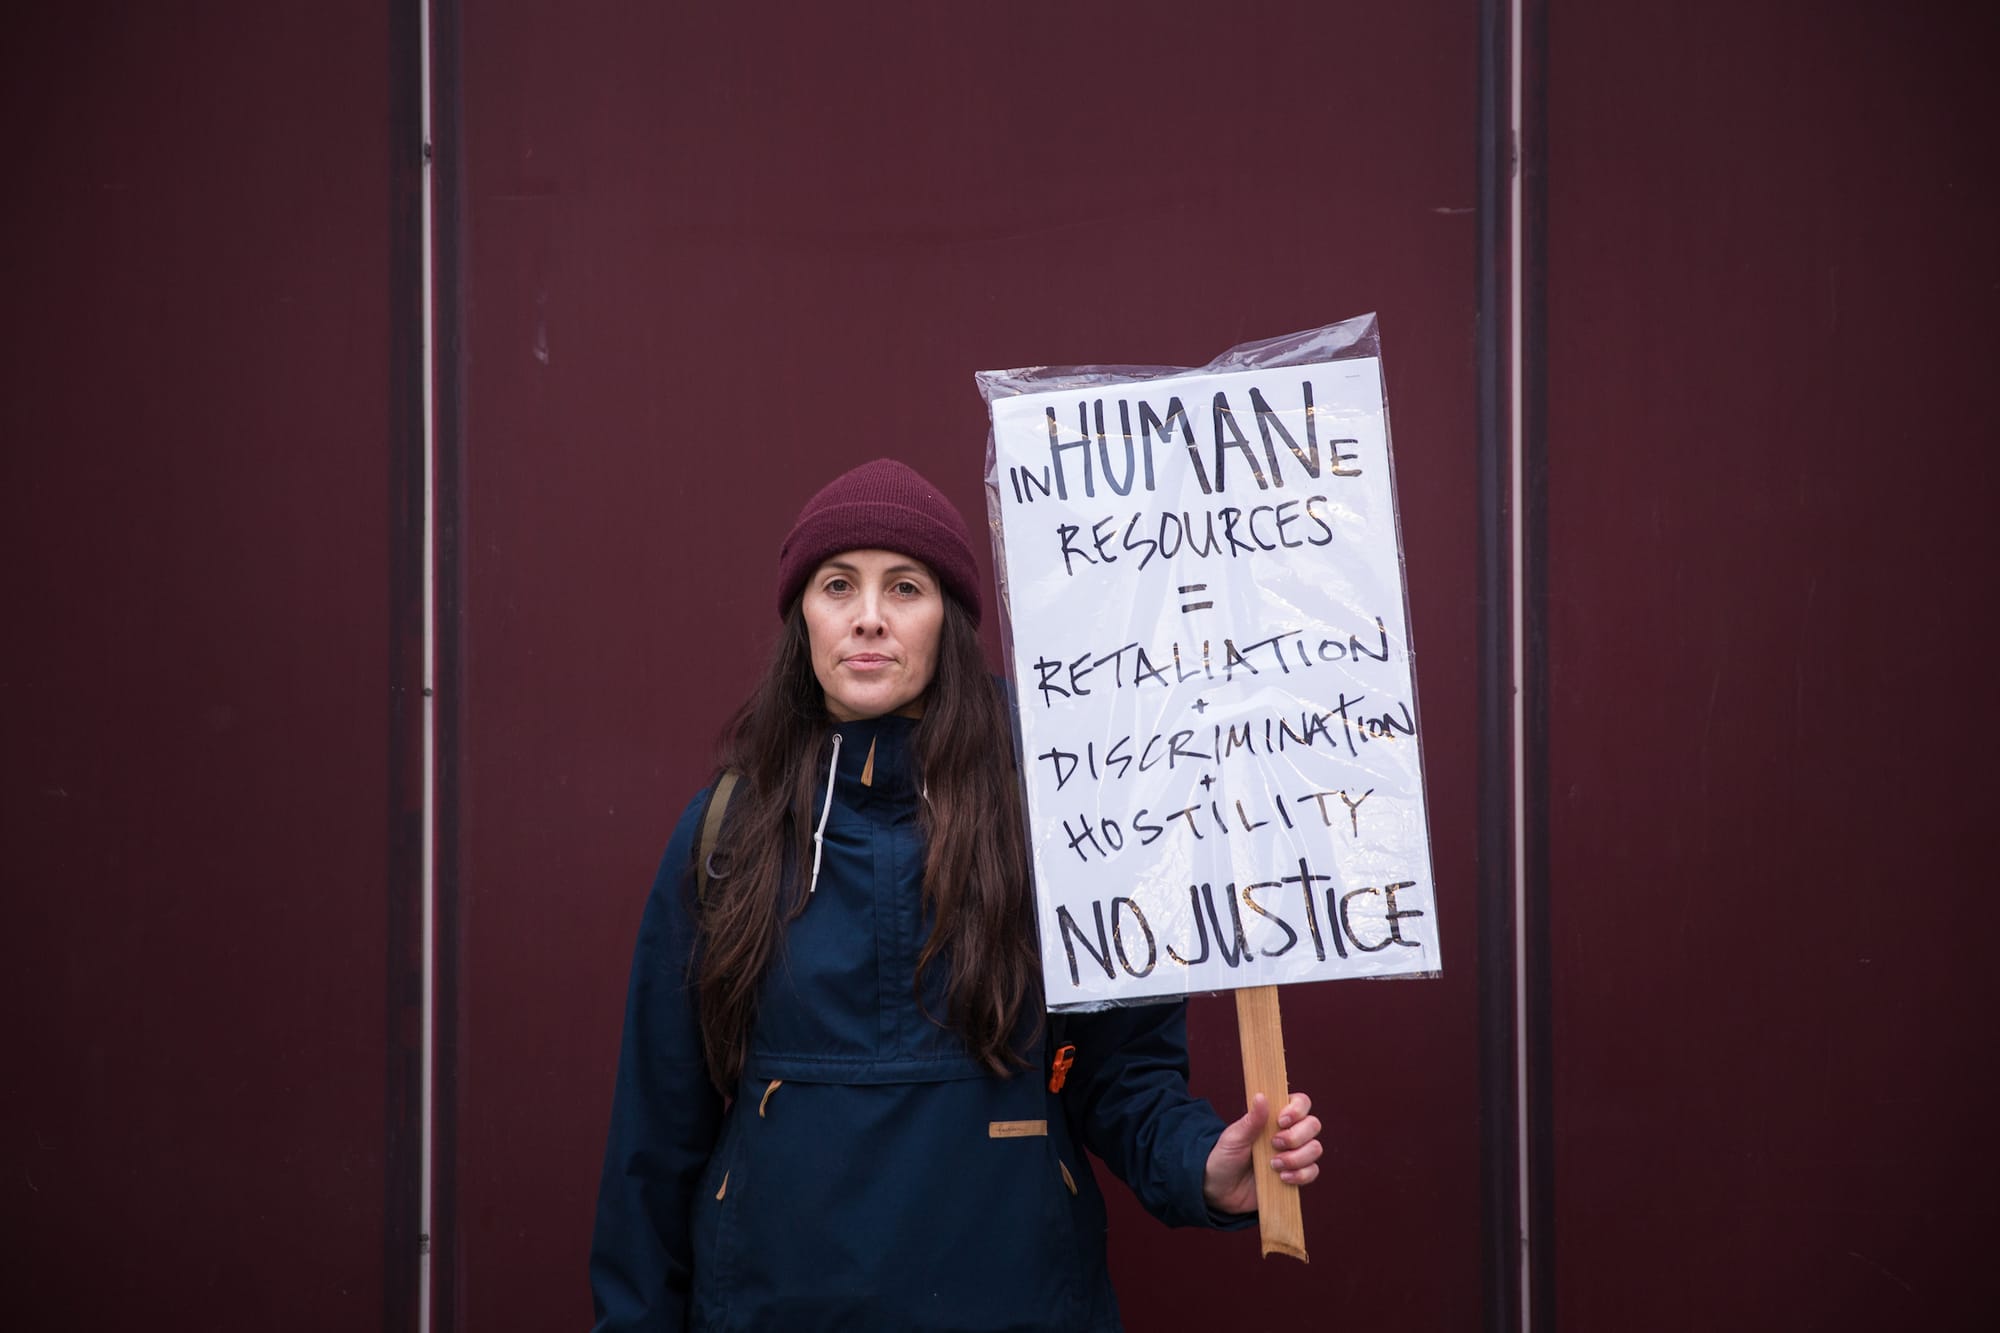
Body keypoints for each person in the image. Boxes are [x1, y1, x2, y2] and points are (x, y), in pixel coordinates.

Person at [589, 459, 1323, 1332]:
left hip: (1013, 1300)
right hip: (771, 1304)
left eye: (905, 586)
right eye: (837, 585)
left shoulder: (1065, 818)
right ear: (802, 620)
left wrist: (1202, 1164)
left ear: (950, 622)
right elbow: (654, 1138)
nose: (869, 616)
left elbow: (1120, 1073)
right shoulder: (723, 835)